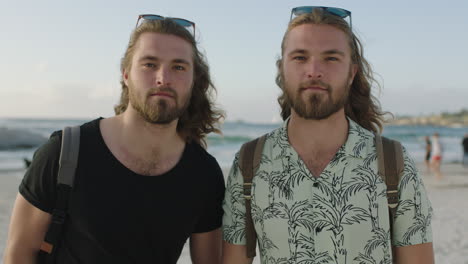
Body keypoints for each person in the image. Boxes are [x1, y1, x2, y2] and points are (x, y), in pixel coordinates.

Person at [3, 14, 225, 264]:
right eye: (149, 64)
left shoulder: (204, 175)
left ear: (194, 80)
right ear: (126, 75)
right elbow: (18, 254)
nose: (163, 77)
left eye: (179, 67)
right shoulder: (65, 152)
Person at [222, 7, 434, 264]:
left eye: (331, 58)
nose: (314, 71)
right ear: (282, 69)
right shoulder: (248, 163)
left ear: (352, 72)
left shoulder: (394, 163)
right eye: (300, 57)